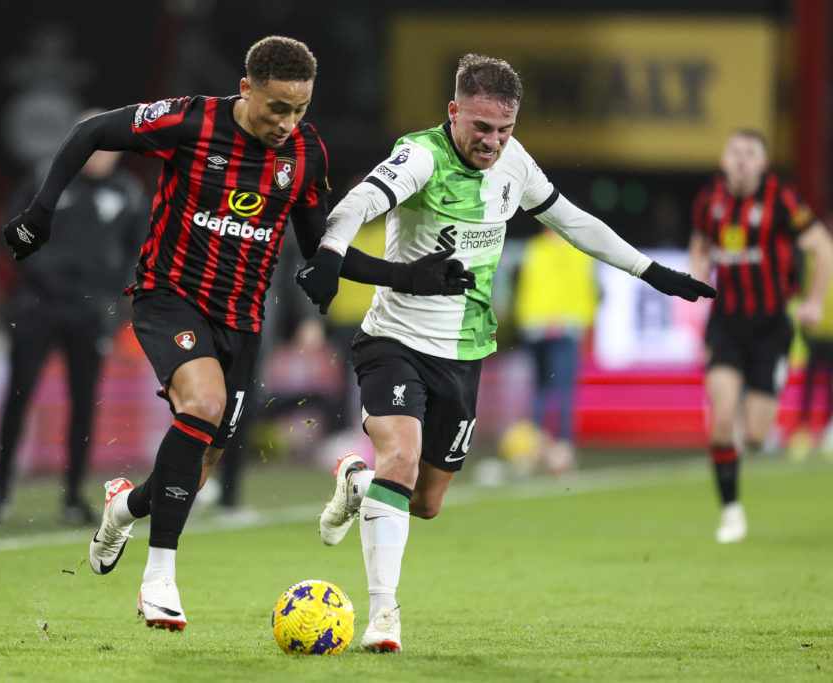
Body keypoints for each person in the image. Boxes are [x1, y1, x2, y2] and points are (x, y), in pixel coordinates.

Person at [0, 36, 474, 631]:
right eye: (277, 107)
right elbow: (89, 132)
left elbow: (320, 249)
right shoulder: (191, 120)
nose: (288, 122)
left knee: (197, 464)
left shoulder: (304, 153)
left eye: (299, 109)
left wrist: (410, 276)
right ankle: (159, 581)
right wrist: (41, 211)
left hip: (242, 319)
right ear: (246, 89)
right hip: (169, 297)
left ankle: (125, 507)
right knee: (202, 404)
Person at [295, 54, 715, 652]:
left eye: (504, 129)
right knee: (403, 457)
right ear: (454, 112)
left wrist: (651, 272)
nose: (492, 141)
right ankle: (384, 616)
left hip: (465, 351)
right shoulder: (420, 155)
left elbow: (573, 222)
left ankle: (356, 481)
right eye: (481, 127)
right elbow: (358, 203)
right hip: (394, 339)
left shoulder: (514, 164)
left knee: (427, 502)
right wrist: (332, 254)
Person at [0, 118, 149, 526]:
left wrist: (114, 300)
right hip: (37, 305)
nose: (103, 153)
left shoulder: (128, 193)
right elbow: (11, 230)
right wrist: (35, 274)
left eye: (112, 145)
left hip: (89, 313)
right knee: (17, 397)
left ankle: (73, 495)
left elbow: (138, 250)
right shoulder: (44, 177)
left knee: (84, 404)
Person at [688, 129, 833, 543]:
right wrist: (697, 273)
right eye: (735, 151)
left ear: (762, 164)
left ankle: (764, 399)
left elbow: (822, 246)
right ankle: (731, 512)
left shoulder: (781, 199)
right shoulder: (709, 201)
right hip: (727, 325)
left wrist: (814, 301)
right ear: (723, 158)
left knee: (754, 436)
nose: (741, 159)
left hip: (771, 328)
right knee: (722, 417)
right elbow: (700, 242)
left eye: (750, 153)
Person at [513, 225, 598, 473]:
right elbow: (587, 288)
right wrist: (586, 319)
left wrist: (525, 321)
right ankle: (562, 448)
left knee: (540, 388)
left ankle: (538, 448)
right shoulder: (579, 251)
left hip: (537, 326)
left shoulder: (534, 248)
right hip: (565, 326)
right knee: (563, 390)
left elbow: (525, 287)